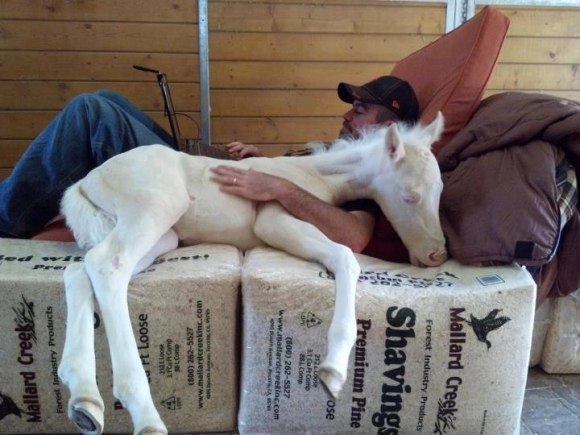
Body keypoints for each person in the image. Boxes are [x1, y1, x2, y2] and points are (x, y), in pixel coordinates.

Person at [0, 76, 420, 260]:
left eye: (359, 110)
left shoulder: (372, 177)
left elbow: (354, 236)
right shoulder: (338, 153)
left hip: (201, 189)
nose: (346, 116)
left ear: (389, 129)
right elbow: (293, 176)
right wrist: (260, 157)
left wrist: (280, 187)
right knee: (109, 99)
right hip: (211, 172)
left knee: (92, 113)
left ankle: (7, 220)